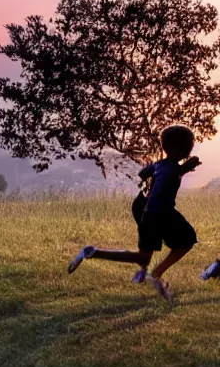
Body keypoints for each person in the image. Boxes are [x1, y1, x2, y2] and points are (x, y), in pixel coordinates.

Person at [68, 125, 201, 303]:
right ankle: (155, 275)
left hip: (147, 212)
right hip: (162, 214)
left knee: (143, 257)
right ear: (182, 148)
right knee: (187, 240)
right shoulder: (172, 169)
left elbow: (143, 173)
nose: (191, 147)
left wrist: (181, 168)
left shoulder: (160, 165)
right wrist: (183, 168)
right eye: (189, 144)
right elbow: (171, 174)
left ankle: (92, 252)